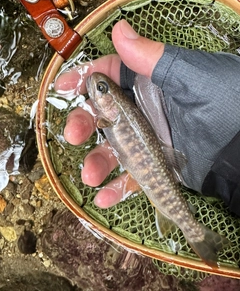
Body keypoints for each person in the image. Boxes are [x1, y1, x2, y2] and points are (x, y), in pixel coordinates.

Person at [55, 19, 240, 216]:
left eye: (101, 89)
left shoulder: (106, 119)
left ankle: (188, 226)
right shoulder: (108, 117)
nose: (95, 85)